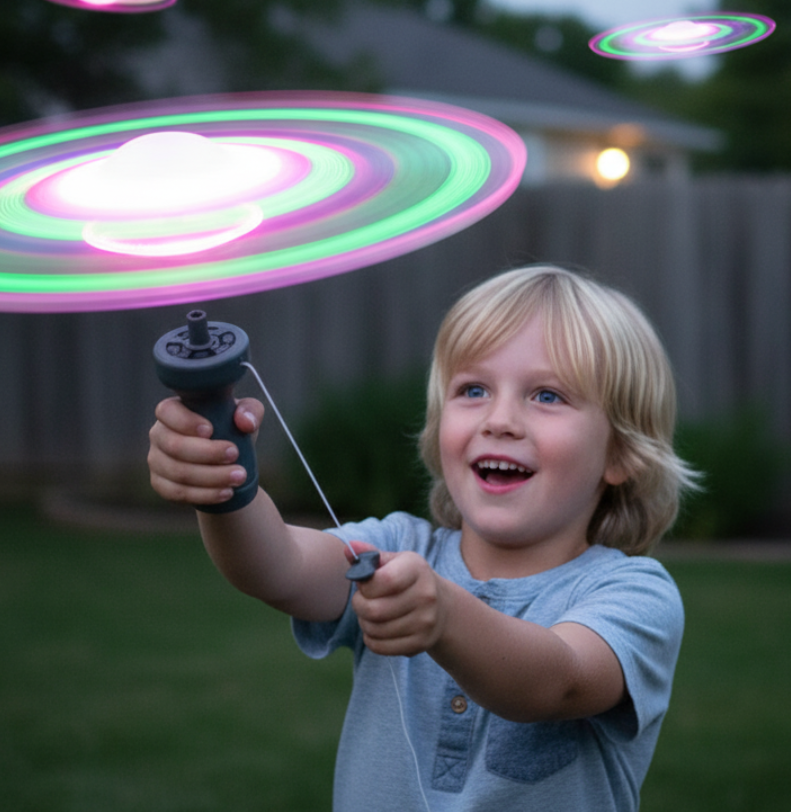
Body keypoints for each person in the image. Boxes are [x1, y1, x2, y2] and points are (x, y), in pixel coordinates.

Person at [147, 265, 701, 811]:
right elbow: (277, 565)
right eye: (474, 389)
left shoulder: (634, 594)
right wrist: (223, 483)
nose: (500, 420)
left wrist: (448, 617)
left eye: (548, 396)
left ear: (621, 454)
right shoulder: (397, 545)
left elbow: (558, 682)